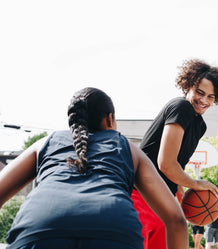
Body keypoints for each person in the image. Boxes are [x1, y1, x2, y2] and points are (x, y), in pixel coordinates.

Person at [0, 87, 188, 249]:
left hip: (38, 225)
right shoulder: (126, 147)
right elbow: (176, 220)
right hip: (114, 229)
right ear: (110, 119)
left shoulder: (45, 143)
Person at [131, 58, 218, 249]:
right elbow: (165, 163)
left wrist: (179, 187)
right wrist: (195, 183)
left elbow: (178, 160)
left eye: (211, 97)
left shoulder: (199, 125)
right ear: (188, 86)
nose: (204, 100)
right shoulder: (181, 108)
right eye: (199, 92)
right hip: (140, 194)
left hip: (163, 197)